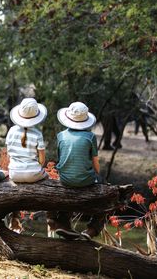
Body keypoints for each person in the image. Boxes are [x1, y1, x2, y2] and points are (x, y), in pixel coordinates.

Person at [47, 101, 104, 240]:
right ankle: (91, 230)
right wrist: (98, 175)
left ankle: (62, 222)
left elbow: (62, 159)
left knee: (68, 188)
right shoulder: (90, 137)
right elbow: (96, 166)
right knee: (106, 197)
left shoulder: (61, 135)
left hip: (65, 179)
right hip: (85, 181)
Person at [5, 98, 48, 232]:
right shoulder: (37, 134)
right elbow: (42, 160)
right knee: (48, 179)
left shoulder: (11, 131)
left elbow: (7, 156)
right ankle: (53, 219)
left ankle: (14, 217)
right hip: (33, 173)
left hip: (14, 173)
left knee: (15, 187)